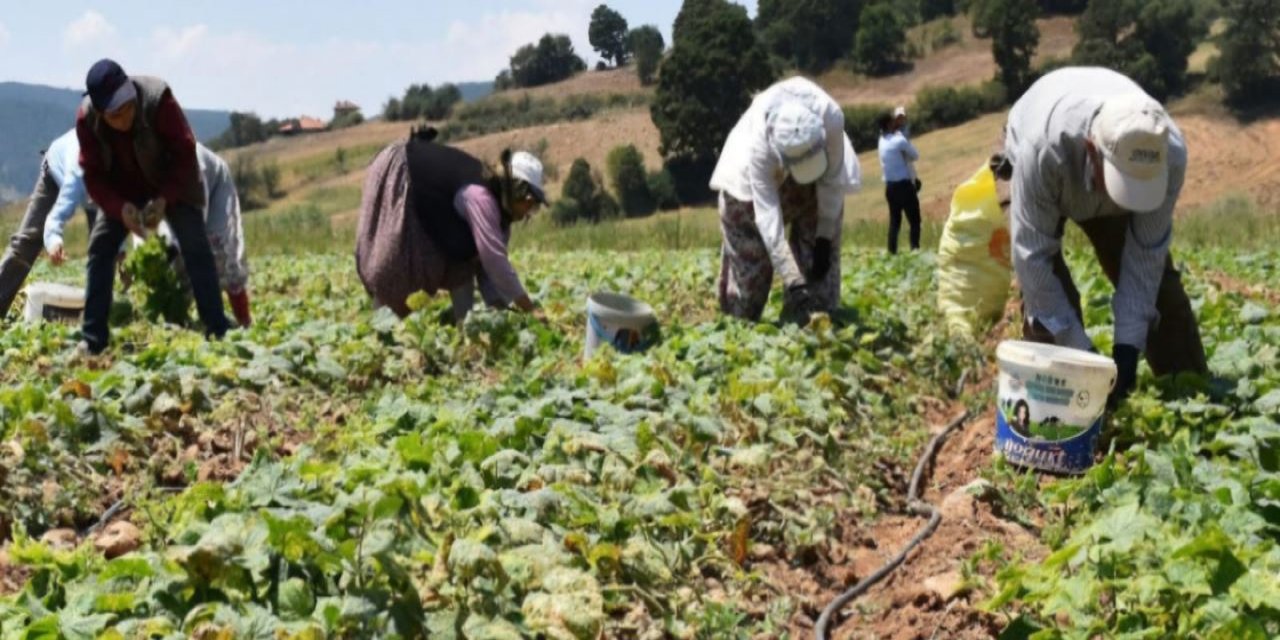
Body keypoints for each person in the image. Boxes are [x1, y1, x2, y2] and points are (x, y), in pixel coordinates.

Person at [1003, 66, 1207, 407]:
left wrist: (1125, 352)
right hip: (1037, 161)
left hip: (1093, 163)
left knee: (1161, 294)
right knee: (1047, 309)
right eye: (1121, 185)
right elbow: (1032, 258)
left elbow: (1145, 258)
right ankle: (1059, 419)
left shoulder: (1169, 154)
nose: (1121, 201)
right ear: (1092, 149)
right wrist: (1083, 357)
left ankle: (1192, 400)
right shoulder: (1042, 151)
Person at [76, 58, 229, 354]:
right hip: (123, 192)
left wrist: (164, 199)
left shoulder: (159, 100)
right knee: (100, 249)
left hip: (171, 181)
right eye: (115, 114)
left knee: (195, 246)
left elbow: (186, 154)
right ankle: (93, 338)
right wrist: (119, 208)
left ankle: (217, 328)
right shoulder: (87, 121)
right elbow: (93, 175)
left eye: (128, 107)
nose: (125, 117)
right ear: (99, 111)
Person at [45, 142, 252, 327]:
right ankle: (181, 318)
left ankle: (243, 321)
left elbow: (193, 225)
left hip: (212, 189)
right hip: (165, 200)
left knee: (223, 253)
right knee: (169, 262)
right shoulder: (128, 172)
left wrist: (175, 250)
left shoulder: (190, 164)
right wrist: (140, 250)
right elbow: (136, 219)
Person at [709, 76, 861, 323]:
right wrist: (791, 278)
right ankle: (741, 325)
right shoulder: (758, 149)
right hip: (749, 194)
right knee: (749, 286)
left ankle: (808, 323)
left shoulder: (831, 116)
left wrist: (823, 238)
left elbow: (832, 180)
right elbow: (767, 217)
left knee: (819, 280)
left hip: (819, 185)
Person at [356, 126, 546, 322]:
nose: (529, 212)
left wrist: (503, 312)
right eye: (529, 204)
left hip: (433, 208)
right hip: (403, 172)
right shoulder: (480, 197)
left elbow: (486, 270)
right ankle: (381, 330)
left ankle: (464, 329)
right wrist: (530, 309)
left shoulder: (501, 218)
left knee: (463, 263)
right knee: (394, 264)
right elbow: (494, 261)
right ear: (518, 193)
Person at [0, 129, 100, 317]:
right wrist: (54, 242)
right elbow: (55, 217)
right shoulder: (76, 171)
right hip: (55, 170)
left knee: (106, 250)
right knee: (27, 241)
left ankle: (107, 316)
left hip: (96, 184)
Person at [878, 111, 922, 254]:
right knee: (914, 221)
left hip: (890, 187)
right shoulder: (899, 140)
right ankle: (914, 250)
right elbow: (915, 155)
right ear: (890, 124)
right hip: (904, 185)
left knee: (894, 222)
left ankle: (892, 252)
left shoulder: (881, 141)